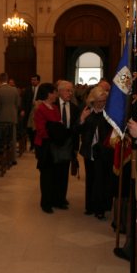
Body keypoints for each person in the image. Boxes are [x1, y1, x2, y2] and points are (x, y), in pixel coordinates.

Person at [78, 85, 114, 220]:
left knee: (101, 180)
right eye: (99, 101)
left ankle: (100, 208)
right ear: (92, 101)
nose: (102, 103)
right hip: (89, 151)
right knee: (91, 178)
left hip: (104, 152)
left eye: (104, 101)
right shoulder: (87, 112)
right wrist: (81, 119)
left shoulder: (109, 113)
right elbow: (77, 130)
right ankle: (90, 206)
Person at [33, 82, 60, 213]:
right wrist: (54, 132)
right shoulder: (40, 109)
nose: (56, 94)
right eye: (55, 92)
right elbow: (41, 130)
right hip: (44, 146)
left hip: (54, 144)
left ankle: (53, 199)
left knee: (54, 174)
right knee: (46, 175)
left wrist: (56, 132)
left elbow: (58, 125)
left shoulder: (55, 108)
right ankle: (45, 203)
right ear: (49, 94)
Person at [53, 80, 80, 209]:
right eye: (68, 90)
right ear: (60, 91)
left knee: (64, 173)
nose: (70, 93)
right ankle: (52, 198)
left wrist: (75, 148)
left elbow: (76, 130)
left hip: (68, 145)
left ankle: (61, 199)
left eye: (71, 90)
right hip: (53, 144)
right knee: (53, 172)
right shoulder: (53, 106)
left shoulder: (74, 108)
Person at [0, 73, 20, 165]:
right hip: (12, 116)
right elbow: (18, 104)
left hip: (2, 117)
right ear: (7, 79)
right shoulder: (14, 90)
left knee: (3, 139)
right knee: (12, 138)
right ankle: (13, 159)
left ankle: (3, 159)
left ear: (0, 79)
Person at [21, 74, 41, 151]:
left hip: (38, 112)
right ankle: (32, 144)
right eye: (32, 80)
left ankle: (36, 145)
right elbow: (23, 100)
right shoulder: (28, 89)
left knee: (36, 129)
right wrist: (23, 110)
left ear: (38, 81)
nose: (33, 81)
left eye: (34, 80)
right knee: (29, 128)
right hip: (29, 111)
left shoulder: (41, 89)